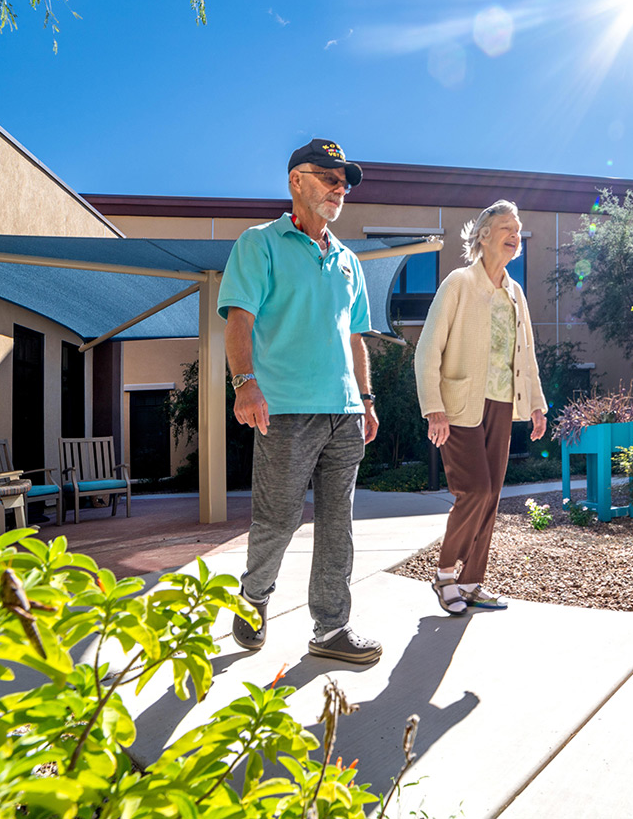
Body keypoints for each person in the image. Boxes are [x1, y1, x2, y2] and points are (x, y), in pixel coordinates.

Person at [218, 138, 382, 665]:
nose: (340, 188)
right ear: (297, 181)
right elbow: (239, 317)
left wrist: (368, 399)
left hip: (345, 412)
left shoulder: (349, 261)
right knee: (278, 519)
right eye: (330, 177)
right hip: (284, 408)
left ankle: (331, 629)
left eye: (345, 182)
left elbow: (356, 338)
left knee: (339, 525)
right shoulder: (259, 243)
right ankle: (253, 599)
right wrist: (245, 384)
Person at [415, 200, 548, 615]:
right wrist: (434, 407)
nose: (515, 234)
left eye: (519, 228)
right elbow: (427, 348)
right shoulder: (459, 282)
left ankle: (472, 581)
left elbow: (527, 354)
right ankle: (443, 575)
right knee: (475, 489)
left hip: (503, 404)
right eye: (507, 227)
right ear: (484, 235)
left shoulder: (514, 292)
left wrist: (538, 405)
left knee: (492, 497)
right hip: (460, 406)